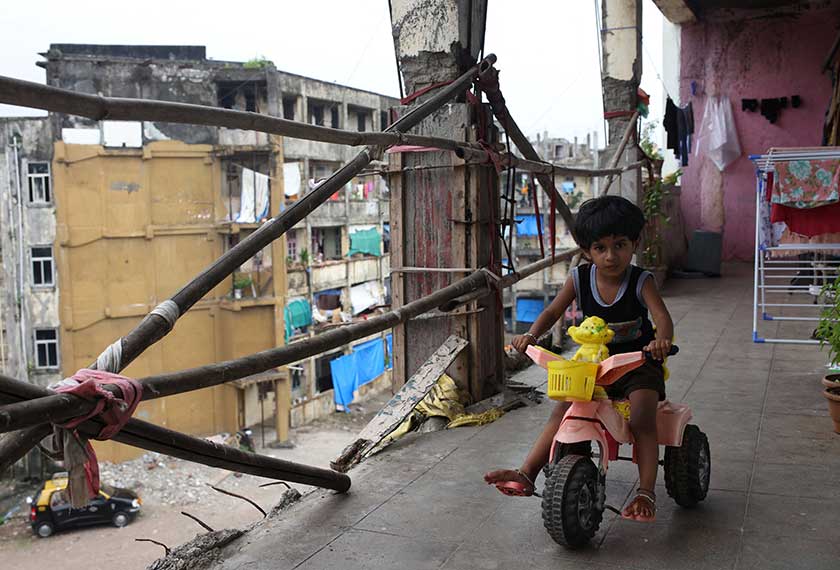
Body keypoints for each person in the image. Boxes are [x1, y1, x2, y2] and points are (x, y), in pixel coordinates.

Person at [484, 195, 674, 522]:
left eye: (620, 245)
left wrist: (661, 341)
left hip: (637, 364)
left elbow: (663, 317)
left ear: (634, 244)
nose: (610, 255)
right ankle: (527, 472)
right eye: (600, 248)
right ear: (586, 250)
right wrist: (531, 335)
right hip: (592, 365)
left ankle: (646, 492)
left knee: (643, 417)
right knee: (561, 409)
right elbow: (553, 310)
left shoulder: (642, 281)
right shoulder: (579, 278)